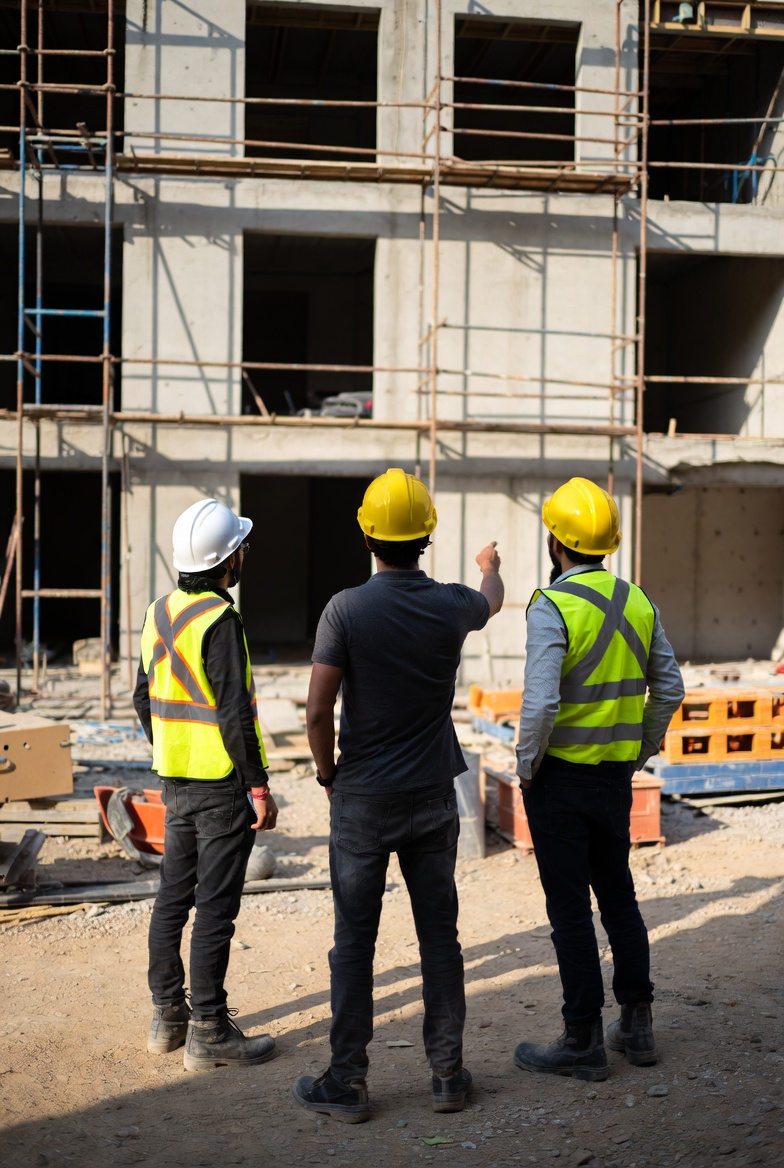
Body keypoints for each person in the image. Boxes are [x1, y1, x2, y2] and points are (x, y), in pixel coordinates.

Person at [291, 468, 504, 1123]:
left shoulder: (346, 610)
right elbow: (492, 598)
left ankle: (347, 1083)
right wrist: (489, 564)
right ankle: (447, 1076)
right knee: (440, 938)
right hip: (434, 795)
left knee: (354, 942)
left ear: (367, 535)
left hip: (364, 799)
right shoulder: (453, 604)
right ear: (426, 537)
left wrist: (328, 775)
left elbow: (318, 707)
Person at [512, 477, 684, 1081]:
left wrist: (527, 766)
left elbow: (539, 707)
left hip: (558, 780)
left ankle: (580, 1037)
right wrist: (637, 751)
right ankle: (636, 1027)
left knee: (569, 912)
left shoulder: (552, 605)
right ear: (608, 542)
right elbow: (670, 688)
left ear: (555, 540)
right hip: (613, 778)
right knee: (619, 898)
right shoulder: (638, 600)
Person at [134, 497, 280, 1072]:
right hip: (220, 783)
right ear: (227, 562)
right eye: (240, 549)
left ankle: (167, 1018)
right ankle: (209, 1031)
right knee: (215, 909)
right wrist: (259, 788)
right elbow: (234, 713)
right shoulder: (222, 619)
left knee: (173, 898)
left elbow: (143, 699)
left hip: (174, 779)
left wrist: (169, 746)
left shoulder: (157, 612)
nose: (244, 556)